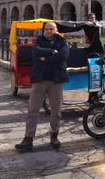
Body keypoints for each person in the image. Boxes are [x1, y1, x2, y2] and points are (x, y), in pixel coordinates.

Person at [15, 22, 69, 152]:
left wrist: (46, 58)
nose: (49, 31)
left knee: (56, 111)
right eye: (47, 29)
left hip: (56, 80)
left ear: (56, 30)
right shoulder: (39, 40)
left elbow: (63, 56)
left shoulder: (62, 41)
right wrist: (52, 52)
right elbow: (36, 52)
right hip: (40, 79)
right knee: (32, 110)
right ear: (43, 30)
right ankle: (28, 139)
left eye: (52, 29)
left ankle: (54, 136)